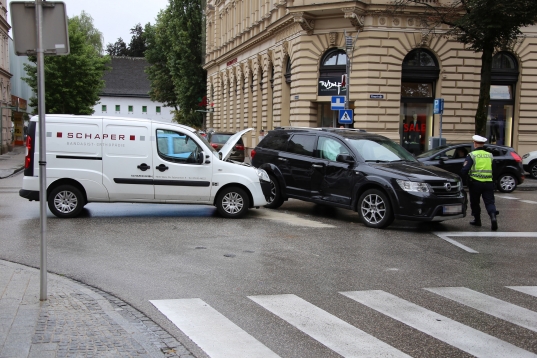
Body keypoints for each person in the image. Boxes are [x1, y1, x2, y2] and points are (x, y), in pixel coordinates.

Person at [461, 135, 498, 230]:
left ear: (475, 143)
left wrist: (463, 180)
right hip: (488, 183)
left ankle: (477, 220)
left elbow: (465, 170)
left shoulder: (472, 155)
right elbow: (495, 170)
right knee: (490, 202)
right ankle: (493, 217)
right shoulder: (490, 155)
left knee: (475, 202)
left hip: (475, 183)